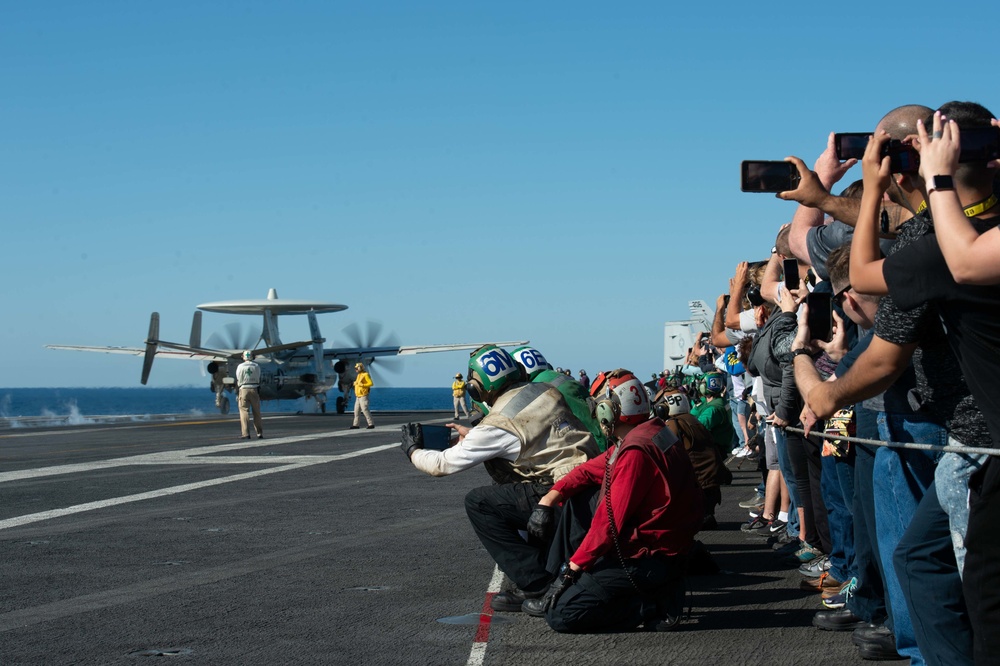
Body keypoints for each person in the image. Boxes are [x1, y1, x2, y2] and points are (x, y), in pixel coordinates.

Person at [400, 344, 599, 612]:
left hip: (560, 498)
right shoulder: (544, 392)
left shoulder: (498, 423)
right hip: (589, 489)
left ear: (476, 389)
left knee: (479, 502)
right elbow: (532, 440)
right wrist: (474, 436)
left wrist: (413, 451)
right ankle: (549, 564)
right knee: (519, 489)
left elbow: (442, 464)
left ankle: (535, 580)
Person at [520, 369, 703, 633]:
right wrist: (551, 497)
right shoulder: (649, 433)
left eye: (598, 407)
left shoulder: (635, 452)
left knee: (561, 615)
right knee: (578, 496)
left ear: (609, 410)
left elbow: (608, 525)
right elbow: (588, 471)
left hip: (649, 558)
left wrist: (571, 571)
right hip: (666, 551)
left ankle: (653, 605)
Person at [236, 350, 263, 440]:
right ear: (252, 356)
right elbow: (259, 376)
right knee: (257, 412)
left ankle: (246, 433)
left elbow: (238, 377)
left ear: (243, 357)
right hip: (254, 389)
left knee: (244, 411)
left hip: (243, 389)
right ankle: (259, 433)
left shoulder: (240, 366)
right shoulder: (256, 366)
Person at [350, 362, 374, 430]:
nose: (355, 369)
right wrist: (355, 383)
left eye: (356, 368)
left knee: (365, 409)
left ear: (360, 368)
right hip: (358, 396)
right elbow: (358, 383)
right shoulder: (359, 375)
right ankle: (355, 425)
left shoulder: (366, 375)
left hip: (363, 395)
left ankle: (371, 424)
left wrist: (362, 385)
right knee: (356, 410)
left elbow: (371, 383)